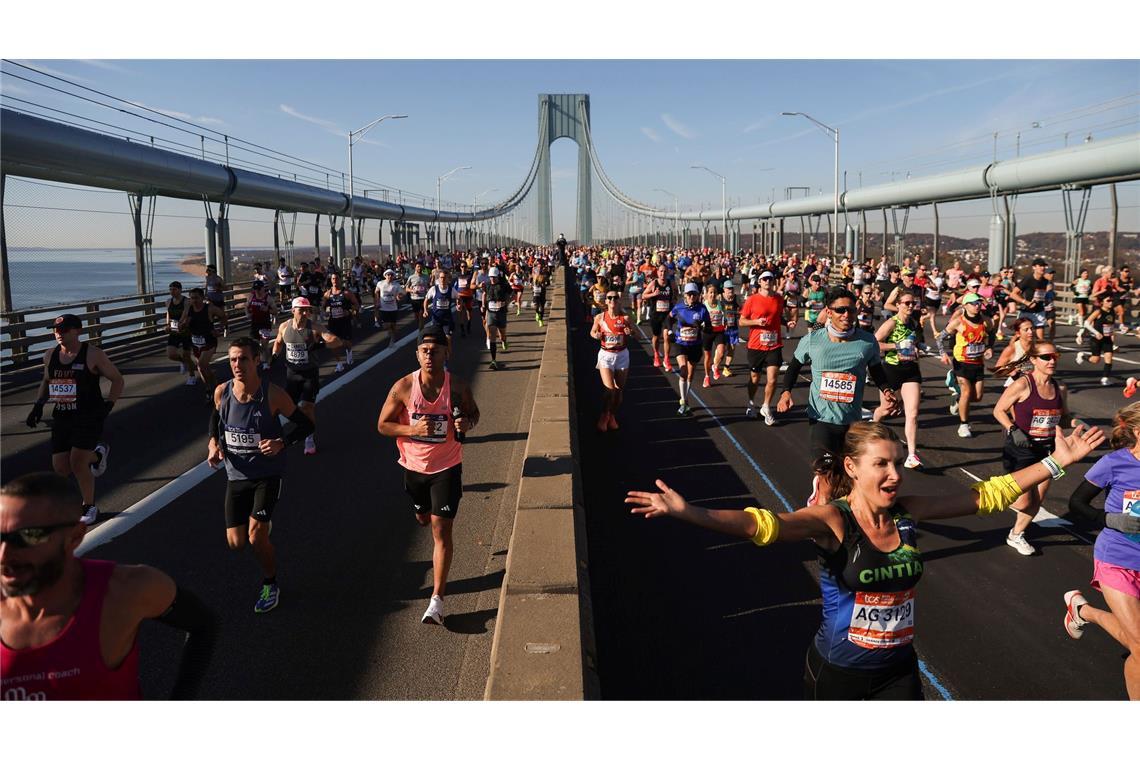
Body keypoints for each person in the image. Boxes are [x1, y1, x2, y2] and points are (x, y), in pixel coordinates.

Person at [626, 420, 1104, 700]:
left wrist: (1057, 463)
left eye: (897, 462)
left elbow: (988, 496)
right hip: (839, 672)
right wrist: (691, 512)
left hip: (898, 666)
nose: (895, 473)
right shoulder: (832, 520)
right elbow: (763, 525)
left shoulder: (909, 512)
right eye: (882, 464)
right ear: (852, 468)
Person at [0, 472, 217, 700]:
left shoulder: (127, 589)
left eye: (27, 536)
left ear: (75, 536)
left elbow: (203, 625)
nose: (4, 554)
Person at [377, 327, 480, 625]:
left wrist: (466, 422)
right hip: (413, 468)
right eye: (424, 351)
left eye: (436, 351)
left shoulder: (458, 386)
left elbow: (474, 414)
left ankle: (437, 600)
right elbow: (382, 425)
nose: (430, 356)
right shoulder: (404, 387)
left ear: (447, 353)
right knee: (423, 518)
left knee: (440, 530)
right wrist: (412, 429)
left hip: (447, 467)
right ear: (417, 354)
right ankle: (420, 508)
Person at [208, 337, 314, 613]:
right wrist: (213, 444)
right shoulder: (222, 391)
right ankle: (262, 523)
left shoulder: (273, 394)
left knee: (256, 537)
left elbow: (305, 424)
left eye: (243, 358)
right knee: (235, 542)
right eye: (232, 359)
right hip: (236, 475)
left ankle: (270, 583)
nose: (237, 364)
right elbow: (215, 419)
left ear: (257, 360)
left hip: (267, 473)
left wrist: (281, 442)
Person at [777, 288, 898, 507]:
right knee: (828, 476)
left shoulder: (867, 342)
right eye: (840, 310)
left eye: (851, 310)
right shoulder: (813, 340)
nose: (846, 315)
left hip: (851, 421)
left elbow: (877, 371)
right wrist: (786, 393)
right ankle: (821, 524)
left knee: (850, 479)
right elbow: (794, 368)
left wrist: (887, 391)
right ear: (828, 312)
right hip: (821, 420)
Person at [1063, 402, 1140, 699]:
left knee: (1134, 640)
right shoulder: (1114, 463)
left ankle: (1083, 611)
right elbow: (1076, 504)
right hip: (1117, 558)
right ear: (1136, 430)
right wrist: (1111, 520)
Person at [25, 314, 123, 526]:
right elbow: (46, 380)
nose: (58, 334)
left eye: (64, 330)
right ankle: (97, 456)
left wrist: (109, 405)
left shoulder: (93, 354)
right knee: (61, 467)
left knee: (77, 462)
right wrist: (38, 406)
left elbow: (117, 379)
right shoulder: (50, 355)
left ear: (77, 331)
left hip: (88, 414)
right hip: (62, 415)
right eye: (56, 330)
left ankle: (89, 505)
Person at [992, 342, 1075, 556]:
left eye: (1055, 356)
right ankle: (998, 494)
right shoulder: (1023, 384)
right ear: (1033, 360)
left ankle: (1016, 534)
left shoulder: (1059, 387)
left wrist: (1079, 427)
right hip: (1021, 448)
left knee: (1038, 498)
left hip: (1046, 450)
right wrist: (1013, 429)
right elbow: (998, 410)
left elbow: (1064, 418)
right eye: (1046, 357)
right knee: (1024, 501)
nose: (1052, 361)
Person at [271, 297, 340, 456]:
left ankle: (309, 438)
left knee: (307, 407)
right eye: (300, 309)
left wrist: (320, 344)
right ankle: (299, 427)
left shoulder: (315, 328)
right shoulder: (284, 326)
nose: (304, 313)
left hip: (309, 375)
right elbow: (279, 343)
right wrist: (274, 355)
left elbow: (336, 341)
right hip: (292, 375)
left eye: (306, 310)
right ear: (293, 311)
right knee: (284, 406)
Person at [873, 292, 924, 469]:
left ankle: (911, 455)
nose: (911, 306)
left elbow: (914, 344)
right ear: (899, 304)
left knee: (913, 413)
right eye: (907, 303)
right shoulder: (892, 323)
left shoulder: (913, 323)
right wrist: (896, 346)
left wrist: (919, 348)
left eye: (913, 303)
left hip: (910, 370)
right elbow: (874, 343)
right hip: (891, 370)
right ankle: (872, 429)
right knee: (886, 409)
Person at [740, 270, 793, 425]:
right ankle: (751, 402)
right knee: (755, 378)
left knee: (772, 379)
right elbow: (742, 321)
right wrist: (756, 322)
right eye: (765, 279)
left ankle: (766, 406)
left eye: (770, 279)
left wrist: (786, 323)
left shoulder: (778, 298)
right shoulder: (752, 299)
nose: (768, 281)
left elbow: (778, 316)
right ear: (760, 282)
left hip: (774, 344)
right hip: (756, 345)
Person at [939, 293, 993, 438]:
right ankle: (963, 425)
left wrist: (989, 347)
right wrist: (943, 353)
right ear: (965, 306)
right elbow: (940, 337)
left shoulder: (986, 321)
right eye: (974, 303)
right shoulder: (958, 322)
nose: (977, 306)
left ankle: (957, 398)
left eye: (979, 303)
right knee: (967, 393)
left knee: (978, 397)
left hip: (978, 363)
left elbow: (991, 334)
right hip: (961, 362)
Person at [590, 289, 632, 432]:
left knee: (619, 392)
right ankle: (603, 416)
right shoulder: (600, 317)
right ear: (606, 301)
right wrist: (596, 335)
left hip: (622, 355)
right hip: (606, 355)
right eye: (610, 298)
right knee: (610, 390)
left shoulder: (625, 318)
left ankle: (611, 415)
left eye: (615, 298)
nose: (612, 300)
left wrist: (630, 332)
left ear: (618, 300)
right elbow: (592, 332)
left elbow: (637, 335)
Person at [669, 282, 713, 416]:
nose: (692, 297)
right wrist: (670, 332)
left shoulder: (702, 309)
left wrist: (704, 328)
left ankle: (685, 398)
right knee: (683, 369)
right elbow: (668, 319)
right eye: (689, 294)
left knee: (690, 373)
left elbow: (709, 327)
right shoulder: (678, 307)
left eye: (694, 294)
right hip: (680, 343)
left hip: (695, 344)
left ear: (698, 295)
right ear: (685, 295)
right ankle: (683, 401)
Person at [178, 287, 228, 395]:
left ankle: (210, 390)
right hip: (195, 343)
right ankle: (211, 386)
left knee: (201, 364)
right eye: (191, 298)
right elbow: (181, 323)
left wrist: (220, 329)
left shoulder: (209, 308)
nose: (194, 300)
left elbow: (223, 316)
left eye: (196, 298)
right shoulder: (189, 309)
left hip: (209, 341)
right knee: (203, 368)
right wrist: (182, 325)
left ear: (202, 298)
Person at [1076, 293, 1118, 386]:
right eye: (1108, 301)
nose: (1110, 303)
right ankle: (1082, 356)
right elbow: (1086, 323)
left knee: (1109, 358)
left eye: (1111, 300)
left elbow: (1111, 326)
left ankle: (1105, 378)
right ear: (1102, 302)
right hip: (1096, 339)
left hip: (1107, 339)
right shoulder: (1098, 312)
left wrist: (1113, 338)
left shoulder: (1112, 311)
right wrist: (1096, 333)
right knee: (1095, 360)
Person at [323, 272, 359, 373]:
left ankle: (349, 353)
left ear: (340, 280)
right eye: (333, 279)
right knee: (332, 342)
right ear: (331, 280)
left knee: (345, 342)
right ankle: (339, 363)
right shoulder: (327, 294)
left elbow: (357, 305)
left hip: (345, 321)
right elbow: (323, 307)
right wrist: (325, 312)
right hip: (333, 322)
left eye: (337, 279)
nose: (335, 281)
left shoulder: (346, 293)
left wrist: (349, 311)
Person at [641, 265, 675, 371]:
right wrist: (653, 294)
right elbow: (643, 295)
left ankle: (666, 359)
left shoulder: (671, 283)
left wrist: (673, 304)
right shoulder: (654, 283)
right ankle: (656, 354)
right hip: (655, 314)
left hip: (666, 315)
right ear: (658, 272)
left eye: (664, 271)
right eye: (661, 271)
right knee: (656, 336)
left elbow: (675, 295)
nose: (662, 273)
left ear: (667, 272)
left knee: (666, 337)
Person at [1009, 258, 1049, 340]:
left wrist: (1046, 300)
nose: (1043, 268)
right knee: (1019, 337)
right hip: (1026, 311)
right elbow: (1013, 294)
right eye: (1040, 266)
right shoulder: (1028, 279)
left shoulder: (1045, 281)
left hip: (1039, 311)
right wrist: (1026, 302)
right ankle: (1012, 351)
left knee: (1040, 338)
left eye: (1044, 266)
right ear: (1034, 267)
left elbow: (1041, 295)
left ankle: (1036, 352)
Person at [164, 280, 195, 384]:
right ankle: (182, 362)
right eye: (170, 289)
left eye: (174, 289)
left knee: (187, 355)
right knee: (170, 354)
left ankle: (192, 376)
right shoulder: (168, 301)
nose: (172, 291)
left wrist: (179, 324)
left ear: (180, 290)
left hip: (185, 331)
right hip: (174, 330)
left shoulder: (186, 301)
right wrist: (168, 325)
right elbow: (168, 313)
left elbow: (185, 314)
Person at [482, 267, 513, 370]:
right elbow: (484, 294)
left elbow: (512, 294)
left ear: (497, 277)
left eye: (494, 277)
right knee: (492, 336)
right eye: (491, 277)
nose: (492, 279)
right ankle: (493, 360)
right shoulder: (487, 285)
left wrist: (506, 303)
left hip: (501, 313)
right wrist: (483, 305)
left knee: (502, 335)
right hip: (491, 313)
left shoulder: (504, 285)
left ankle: (504, 340)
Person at [245, 281, 276, 370]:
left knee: (264, 345)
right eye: (255, 289)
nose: (257, 291)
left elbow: (275, 311)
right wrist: (247, 314)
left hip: (265, 324)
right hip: (254, 323)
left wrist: (267, 310)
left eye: (259, 289)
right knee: (254, 345)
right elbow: (246, 306)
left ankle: (265, 362)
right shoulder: (252, 296)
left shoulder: (268, 298)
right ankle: (264, 357)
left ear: (263, 288)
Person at [374, 269, 406, 345]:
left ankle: (393, 338)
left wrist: (399, 296)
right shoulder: (380, 283)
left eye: (391, 275)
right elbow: (376, 291)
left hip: (393, 308)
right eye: (388, 275)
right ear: (385, 276)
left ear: (393, 276)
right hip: (383, 308)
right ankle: (391, 333)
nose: (389, 276)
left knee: (393, 325)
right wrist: (377, 300)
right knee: (386, 325)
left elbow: (402, 294)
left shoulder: (396, 285)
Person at [406, 263, 431, 335]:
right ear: (415, 268)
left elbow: (429, 286)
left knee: (421, 315)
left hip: (423, 298)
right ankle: (420, 326)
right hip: (414, 299)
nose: (419, 268)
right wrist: (412, 291)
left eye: (420, 267)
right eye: (418, 267)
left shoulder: (426, 277)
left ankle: (421, 332)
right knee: (416, 316)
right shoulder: (411, 277)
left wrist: (428, 290)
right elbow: (406, 289)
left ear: (422, 268)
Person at [1073, 268, 1093, 341]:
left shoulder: (1089, 281)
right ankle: (1081, 327)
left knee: (1084, 313)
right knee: (1081, 312)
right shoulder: (1078, 280)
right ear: (1081, 274)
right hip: (1078, 298)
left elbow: (1092, 289)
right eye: (1084, 273)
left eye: (1087, 273)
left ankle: (1073, 317)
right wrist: (1076, 292)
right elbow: (1071, 286)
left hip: (1085, 297)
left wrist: (1089, 293)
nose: (1086, 274)